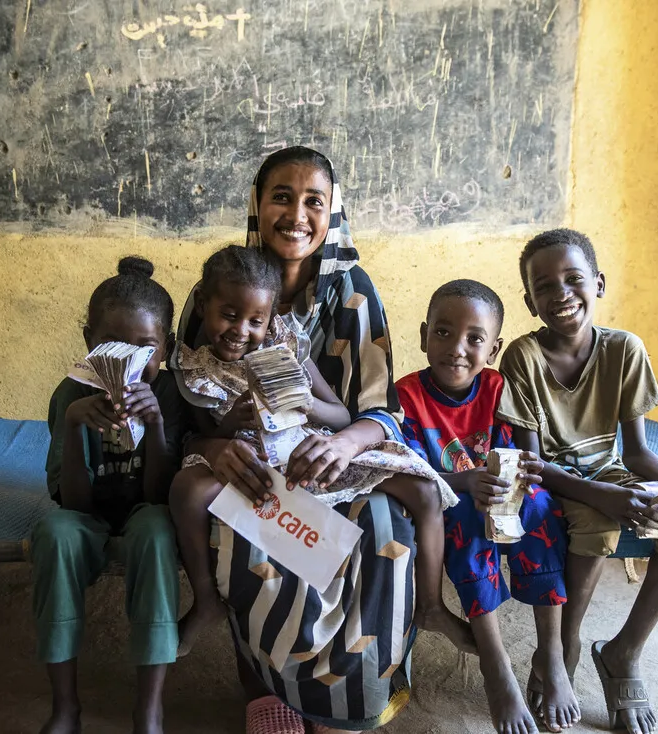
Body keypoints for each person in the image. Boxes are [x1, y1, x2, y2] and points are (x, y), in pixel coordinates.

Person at [172, 147, 472, 733]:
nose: (297, 213)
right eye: (281, 196)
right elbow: (184, 412)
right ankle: (267, 690)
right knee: (248, 538)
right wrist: (215, 448)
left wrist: (341, 446)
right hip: (250, 459)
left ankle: (348, 698)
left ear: (333, 211)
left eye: (315, 201)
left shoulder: (355, 295)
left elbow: (381, 412)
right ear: (258, 206)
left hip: (337, 454)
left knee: (386, 534)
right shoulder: (213, 291)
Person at [169, 244, 466, 658]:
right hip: (249, 467)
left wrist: (304, 401)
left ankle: (432, 606)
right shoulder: (195, 367)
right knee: (186, 488)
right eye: (229, 315)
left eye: (256, 320)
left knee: (424, 490)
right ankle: (205, 602)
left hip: (308, 453)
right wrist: (232, 423)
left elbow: (342, 416)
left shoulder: (286, 346)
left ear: (272, 318)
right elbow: (202, 435)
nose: (241, 330)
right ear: (203, 305)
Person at [497, 229, 658, 734]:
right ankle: (563, 651)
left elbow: (635, 453)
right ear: (530, 301)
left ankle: (624, 652)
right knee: (595, 524)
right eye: (544, 286)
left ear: (599, 283)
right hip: (549, 479)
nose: (561, 294)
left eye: (574, 280)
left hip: (608, 470)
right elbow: (531, 465)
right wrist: (605, 496)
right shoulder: (522, 358)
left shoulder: (625, 350)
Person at [396, 279, 579, 734]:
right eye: (443, 332)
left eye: (475, 339)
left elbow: (516, 455)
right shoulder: (406, 397)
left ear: (493, 349)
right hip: (449, 504)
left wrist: (502, 486)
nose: (457, 348)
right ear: (423, 335)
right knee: (463, 519)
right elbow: (411, 474)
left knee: (539, 506)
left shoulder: (498, 389)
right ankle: (495, 664)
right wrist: (463, 482)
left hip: (501, 496)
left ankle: (551, 653)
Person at [32, 257, 185, 734]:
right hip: (88, 514)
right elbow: (73, 503)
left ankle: (149, 708)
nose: (129, 361)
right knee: (54, 534)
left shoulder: (172, 393)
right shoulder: (70, 395)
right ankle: (64, 707)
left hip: (145, 509)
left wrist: (156, 422)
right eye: (111, 346)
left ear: (168, 348)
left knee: (159, 532)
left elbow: (161, 495)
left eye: (145, 348)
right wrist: (77, 421)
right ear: (88, 343)